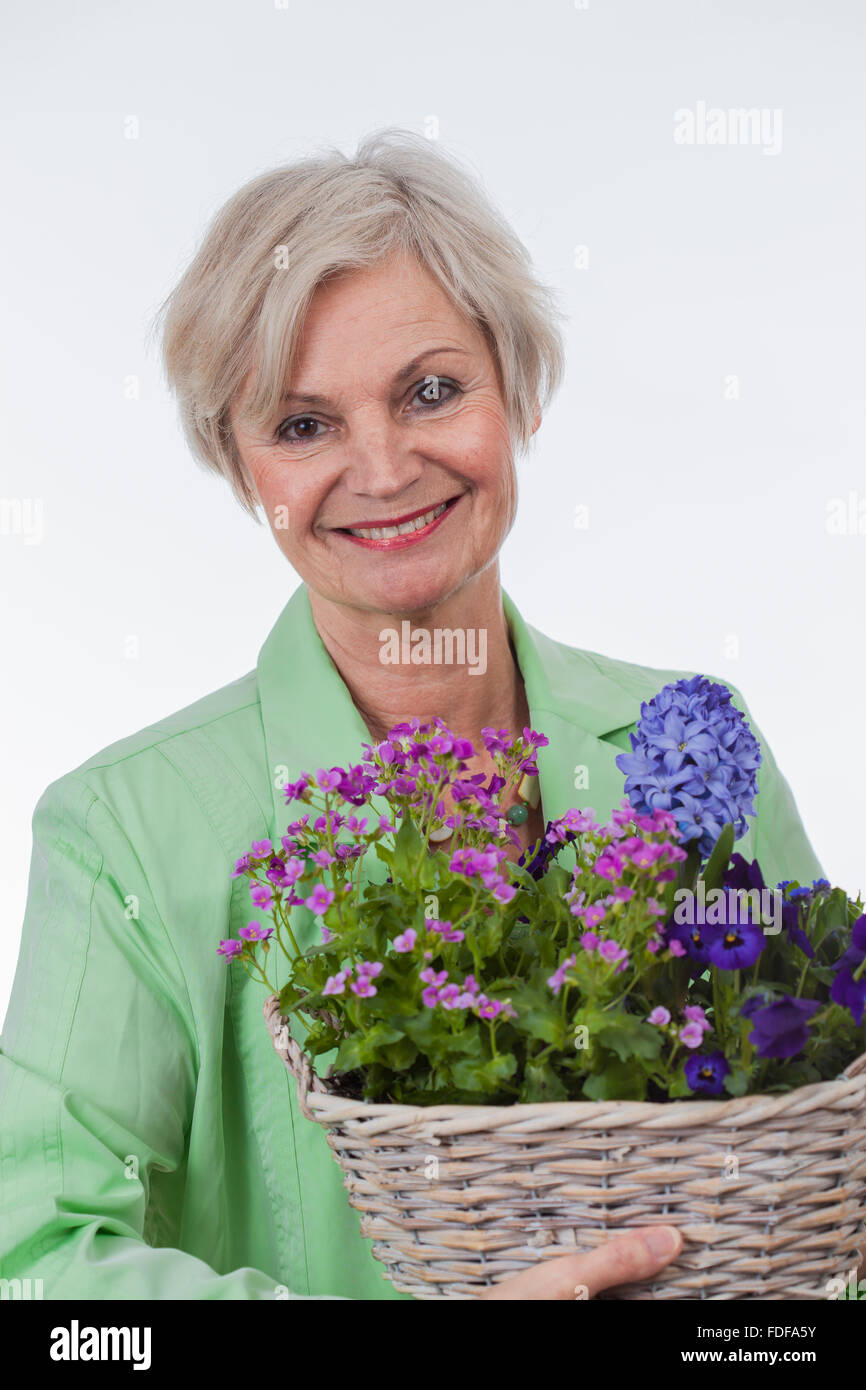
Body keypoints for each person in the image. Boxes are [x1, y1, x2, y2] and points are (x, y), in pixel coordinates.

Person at [0, 128, 824, 1301]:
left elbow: (818, 1157)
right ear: (240, 470)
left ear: (519, 392)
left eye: (429, 390)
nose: (382, 468)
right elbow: (34, 1274)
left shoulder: (686, 735)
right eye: (301, 425)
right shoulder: (123, 830)